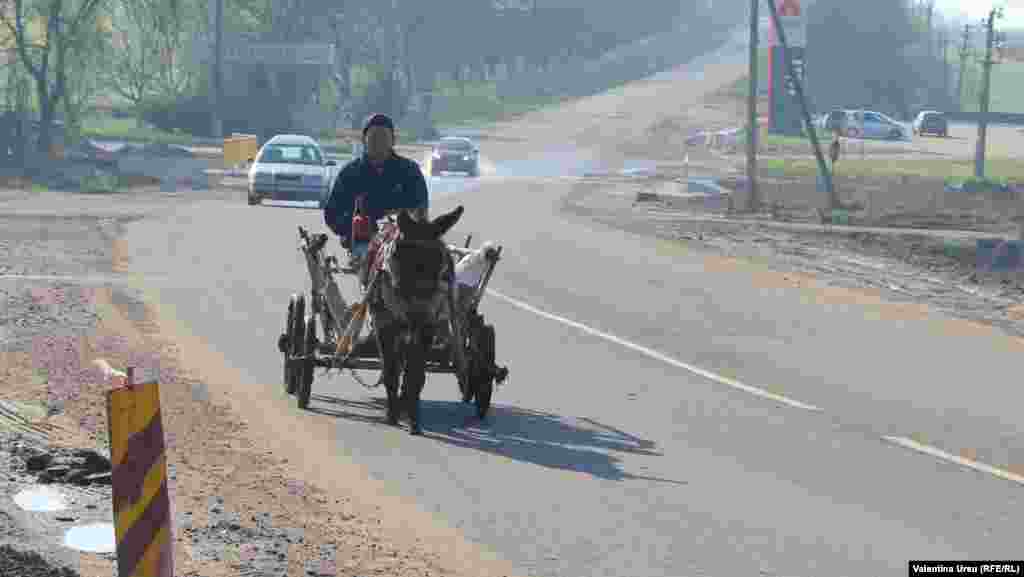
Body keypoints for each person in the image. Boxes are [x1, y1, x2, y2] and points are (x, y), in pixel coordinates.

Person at [323, 113, 430, 258]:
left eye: (384, 137)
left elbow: (420, 209)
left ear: (393, 141)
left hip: (402, 242)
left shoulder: (410, 171)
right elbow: (332, 214)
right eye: (374, 137)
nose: (379, 142)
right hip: (363, 244)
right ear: (364, 140)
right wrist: (355, 225)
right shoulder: (349, 173)